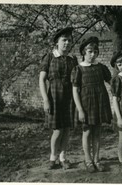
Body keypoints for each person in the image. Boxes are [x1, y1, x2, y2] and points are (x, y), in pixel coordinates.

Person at [71, 36, 112, 173]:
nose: (93, 54)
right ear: (84, 52)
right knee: (87, 131)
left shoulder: (101, 67)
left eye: (95, 51)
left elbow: (112, 82)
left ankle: (97, 159)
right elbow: (75, 91)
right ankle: (88, 160)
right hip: (86, 104)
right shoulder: (78, 69)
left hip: (100, 102)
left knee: (97, 132)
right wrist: (80, 109)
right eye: (90, 51)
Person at [39, 27, 78, 170]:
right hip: (54, 97)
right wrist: (45, 99)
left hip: (69, 98)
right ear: (57, 42)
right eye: (64, 40)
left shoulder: (72, 59)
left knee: (67, 129)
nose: (67, 43)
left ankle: (63, 158)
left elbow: (77, 82)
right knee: (57, 130)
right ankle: (52, 158)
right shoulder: (49, 57)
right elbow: (42, 80)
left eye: (69, 40)